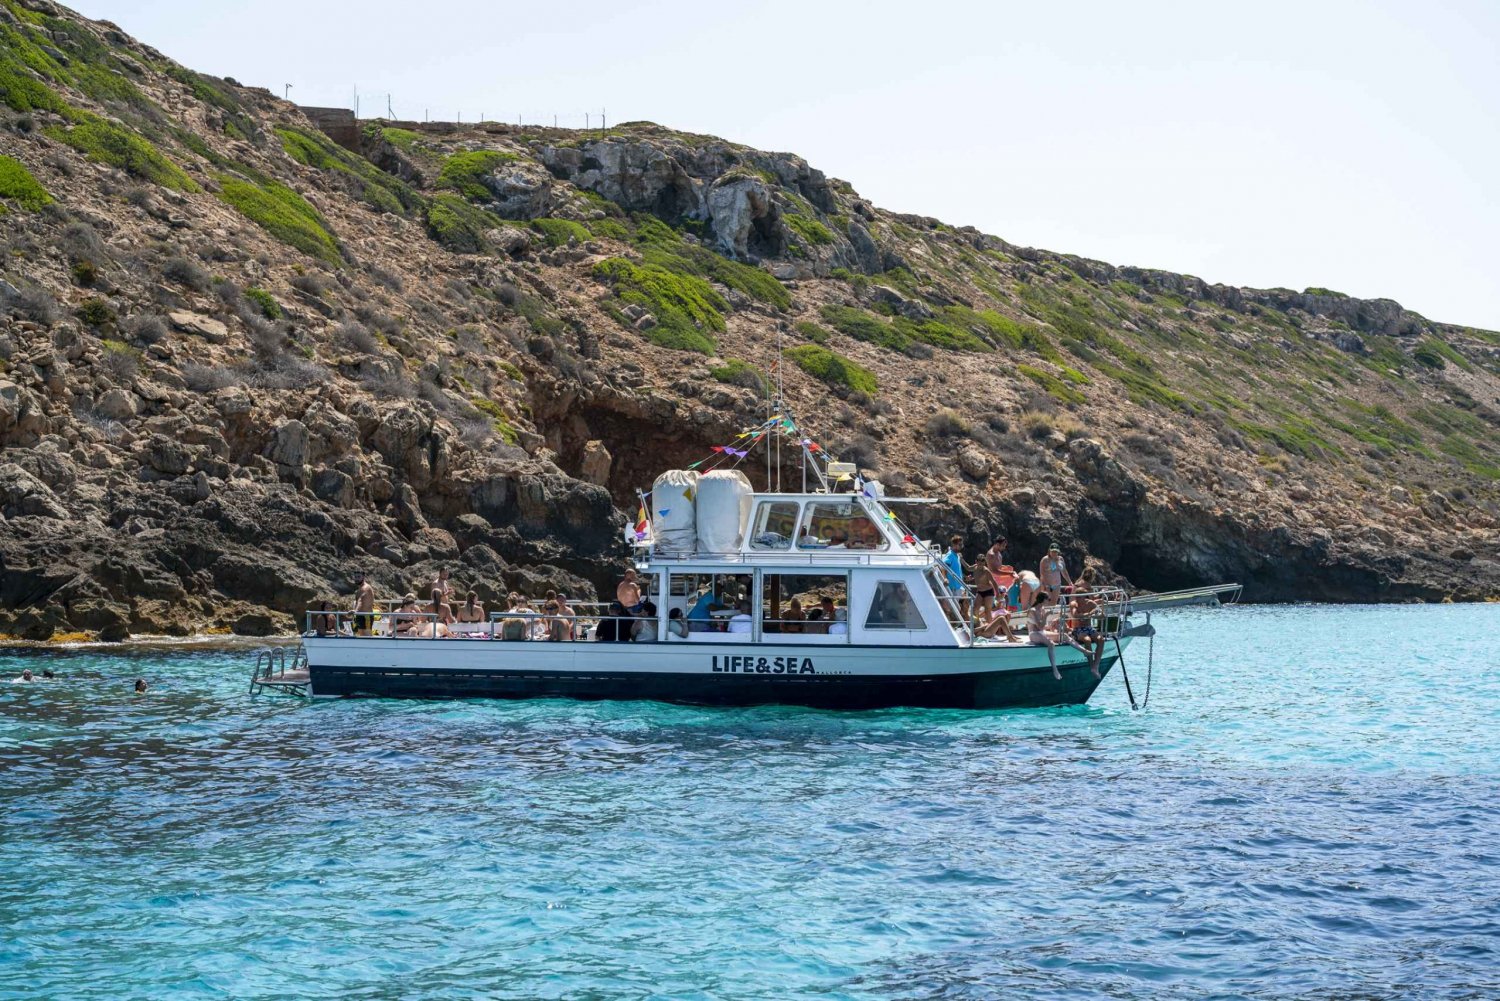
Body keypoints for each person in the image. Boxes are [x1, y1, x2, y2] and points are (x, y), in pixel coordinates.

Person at [1026, 590, 1063, 681]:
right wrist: (1046, 615)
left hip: (1041, 632)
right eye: (1048, 599)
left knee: (1063, 636)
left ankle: (1085, 651)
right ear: (1043, 600)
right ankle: (1055, 669)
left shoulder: (1042, 609)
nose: (1049, 601)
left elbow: (1043, 627)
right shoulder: (1033, 610)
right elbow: (1039, 627)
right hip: (1033, 634)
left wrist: (1051, 625)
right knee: (1051, 644)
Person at [976, 539, 1008, 617]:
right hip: (991, 583)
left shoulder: (998, 553)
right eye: (1003, 545)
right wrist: (1009, 574)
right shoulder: (991, 554)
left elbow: (998, 567)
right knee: (991, 606)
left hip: (998, 583)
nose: (1004, 548)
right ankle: (979, 618)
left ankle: (994, 619)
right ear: (997, 544)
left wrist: (1006, 568)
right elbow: (994, 570)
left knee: (1000, 604)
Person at [940, 535, 969, 619]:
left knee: (958, 608)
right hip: (952, 588)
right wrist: (945, 578)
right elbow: (944, 567)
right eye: (960, 545)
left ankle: (956, 624)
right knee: (952, 608)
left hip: (958, 587)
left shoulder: (957, 556)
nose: (961, 546)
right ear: (954, 545)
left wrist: (964, 577)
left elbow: (956, 570)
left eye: (962, 545)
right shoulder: (950, 555)